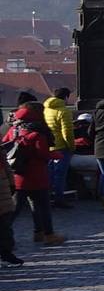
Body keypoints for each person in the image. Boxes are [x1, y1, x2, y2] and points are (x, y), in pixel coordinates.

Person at [6, 96, 60, 246]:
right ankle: (47, 234)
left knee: (14, 209)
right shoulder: (37, 133)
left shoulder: (14, 129)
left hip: (18, 174)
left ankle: (38, 233)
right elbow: (42, 153)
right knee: (42, 206)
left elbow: (5, 145)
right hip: (36, 175)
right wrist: (56, 154)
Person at [43, 88, 77, 206]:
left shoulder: (46, 109)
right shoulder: (64, 111)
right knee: (60, 175)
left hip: (48, 146)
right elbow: (67, 132)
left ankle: (46, 198)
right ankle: (59, 198)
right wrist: (71, 147)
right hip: (61, 147)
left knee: (49, 173)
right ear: (66, 97)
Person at [0, 133, 20, 265]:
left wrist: (12, 183)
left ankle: (6, 253)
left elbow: (6, 165)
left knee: (5, 224)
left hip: (3, 188)